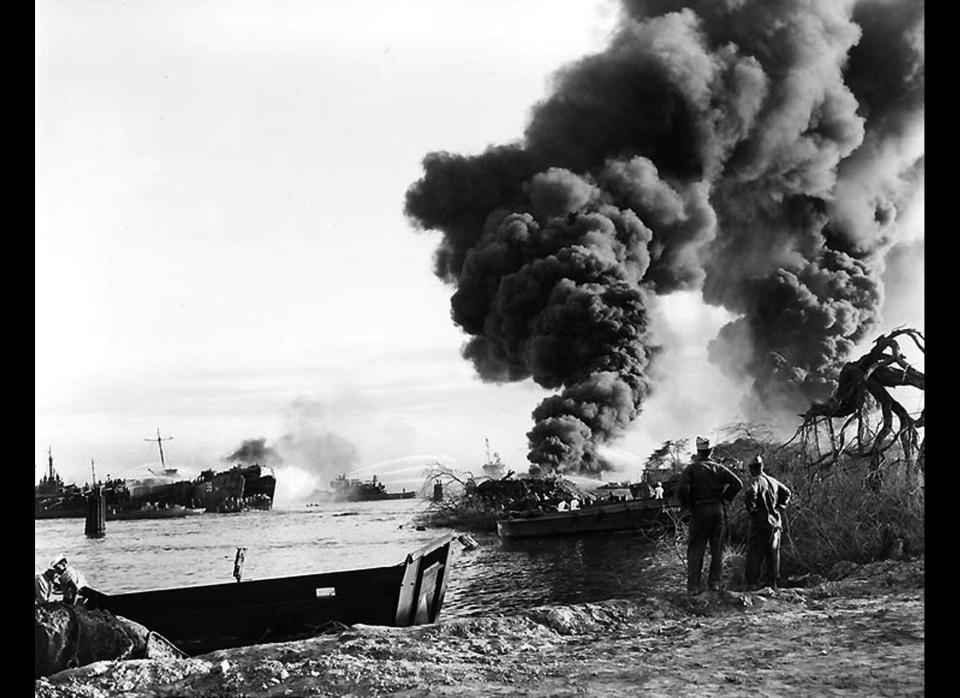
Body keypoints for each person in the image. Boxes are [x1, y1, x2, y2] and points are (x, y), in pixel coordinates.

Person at [676, 437, 743, 595]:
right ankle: (714, 584)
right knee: (717, 549)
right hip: (717, 510)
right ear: (711, 451)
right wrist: (725, 498)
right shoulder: (719, 468)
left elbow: (681, 490)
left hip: (699, 511)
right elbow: (737, 483)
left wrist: (689, 505)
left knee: (696, 549)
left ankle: (693, 587)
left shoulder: (691, 469)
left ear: (698, 451)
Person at [743, 455, 792, 590]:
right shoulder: (773, 481)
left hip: (760, 522)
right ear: (762, 466)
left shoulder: (756, 481)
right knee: (773, 553)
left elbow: (750, 494)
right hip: (775, 522)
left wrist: (752, 510)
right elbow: (787, 492)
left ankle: (752, 585)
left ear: (752, 469)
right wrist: (780, 507)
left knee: (754, 553)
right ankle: (772, 584)